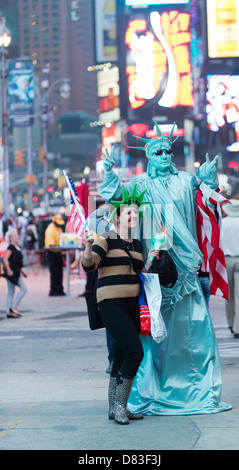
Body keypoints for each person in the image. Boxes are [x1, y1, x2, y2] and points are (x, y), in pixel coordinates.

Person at [97, 121, 231, 416]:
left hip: (185, 271)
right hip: (153, 272)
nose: (163, 156)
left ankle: (195, 387)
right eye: (157, 152)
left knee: (191, 330)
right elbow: (115, 195)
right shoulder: (140, 185)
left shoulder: (185, 180)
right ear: (148, 157)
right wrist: (108, 172)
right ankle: (141, 393)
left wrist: (207, 178)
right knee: (154, 334)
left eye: (167, 151)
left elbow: (207, 195)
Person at [81, 185, 159, 425]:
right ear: (117, 217)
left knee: (120, 354)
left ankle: (114, 407)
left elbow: (137, 272)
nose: (133, 217)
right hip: (110, 303)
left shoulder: (135, 243)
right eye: (128, 213)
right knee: (135, 352)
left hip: (132, 304)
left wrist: (150, 260)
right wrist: (86, 245)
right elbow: (89, 265)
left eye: (136, 214)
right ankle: (120, 406)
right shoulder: (105, 238)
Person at [221, 199, 239, 339]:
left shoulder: (222, 223)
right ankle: (238, 326)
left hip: (226, 260)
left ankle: (230, 322)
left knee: (229, 295)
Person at [3, 228, 27, 318]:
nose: (17, 236)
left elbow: (17, 262)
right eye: (15, 235)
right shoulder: (11, 247)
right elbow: (5, 259)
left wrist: (22, 272)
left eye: (17, 235)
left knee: (11, 291)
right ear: (11, 237)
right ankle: (13, 307)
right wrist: (8, 270)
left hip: (16, 271)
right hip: (12, 272)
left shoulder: (17, 247)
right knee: (23, 289)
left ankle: (9, 309)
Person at [44, 213, 66, 296]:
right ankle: (53, 290)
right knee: (54, 273)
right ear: (54, 221)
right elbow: (50, 244)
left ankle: (59, 289)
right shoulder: (50, 230)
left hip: (58, 253)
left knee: (59, 272)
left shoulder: (58, 228)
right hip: (52, 253)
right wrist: (61, 246)